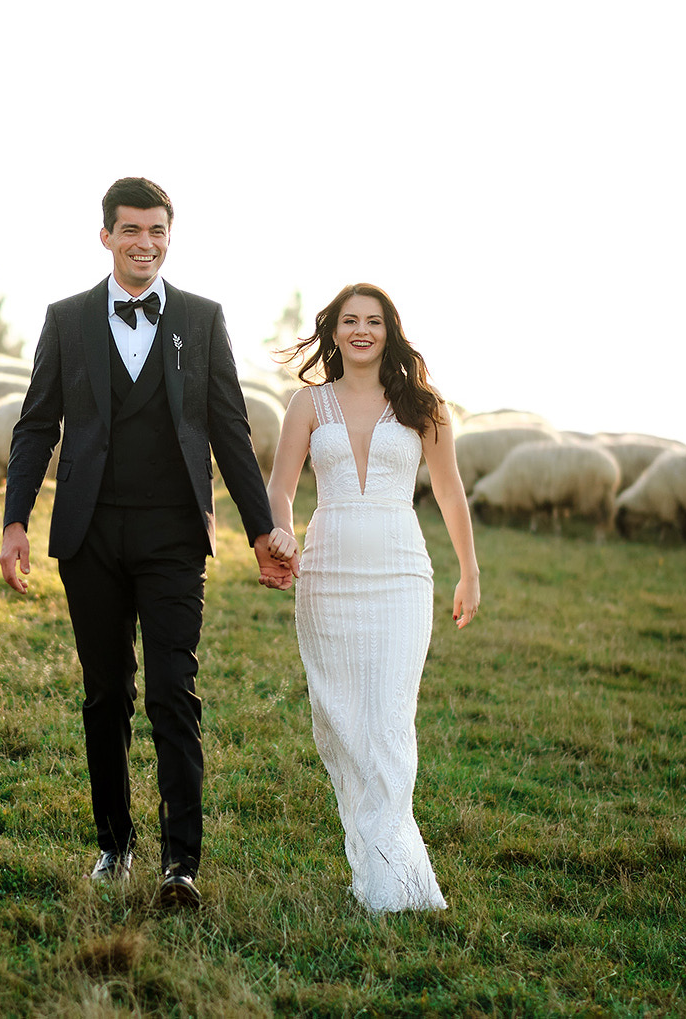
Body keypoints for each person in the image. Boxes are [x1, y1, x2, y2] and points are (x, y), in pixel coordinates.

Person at [0, 177, 293, 909]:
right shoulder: (65, 320)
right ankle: (113, 843)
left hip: (172, 538)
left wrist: (262, 531)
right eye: (131, 230)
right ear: (106, 236)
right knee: (106, 696)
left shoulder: (202, 317)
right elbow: (37, 425)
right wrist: (15, 522)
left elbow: (231, 430)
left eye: (157, 230)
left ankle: (180, 864)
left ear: (170, 236)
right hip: (89, 536)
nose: (145, 243)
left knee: (172, 693)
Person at [264, 282, 480, 912]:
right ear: (332, 331)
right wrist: (279, 530)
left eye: (374, 322)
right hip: (326, 573)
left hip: (401, 575)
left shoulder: (425, 406)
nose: (362, 331)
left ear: (391, 331)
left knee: (388, 721)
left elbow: (450, 492)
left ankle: (395, 880)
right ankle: (373, 861)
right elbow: (279, 488)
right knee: (341, 723)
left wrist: (470, 572)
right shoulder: (307, 405)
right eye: (350, 321)